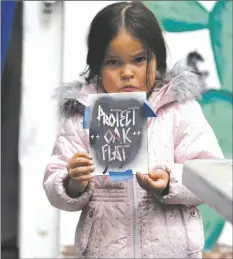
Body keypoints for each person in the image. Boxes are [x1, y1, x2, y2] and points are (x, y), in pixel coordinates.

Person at [43, 2, 223, 258]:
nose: (127, 72)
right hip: (103, 250)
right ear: (96, 66)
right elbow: (54, 180)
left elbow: (207, 174)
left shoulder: (180, 109)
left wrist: (168, 181)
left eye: (139, 59)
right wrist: (72, 182)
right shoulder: (83, 113)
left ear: (158, 59)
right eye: (113, 62)